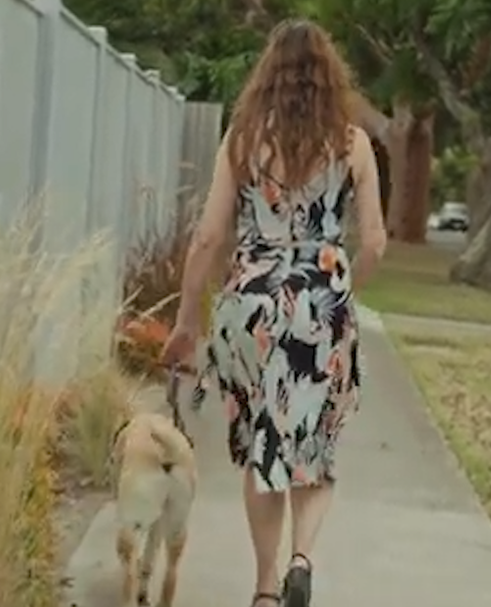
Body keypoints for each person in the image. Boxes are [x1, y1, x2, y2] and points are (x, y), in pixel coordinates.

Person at [159, 19, 388, 607]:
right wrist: (343, 293)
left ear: (268, 78)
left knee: (265, 442)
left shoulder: (241, 140)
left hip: (252, 309)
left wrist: (187, 321)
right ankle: (302, 559)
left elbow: (208, 238)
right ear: (330, 78)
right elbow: (376, 242)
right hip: (321, 304)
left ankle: (264, 592)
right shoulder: (353, 144)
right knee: (315, 444)